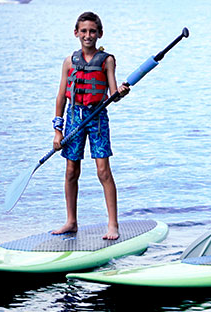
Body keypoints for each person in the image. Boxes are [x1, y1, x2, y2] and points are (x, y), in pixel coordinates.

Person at [51, 12, 130, 239]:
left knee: (103, 171)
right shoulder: (69, 62)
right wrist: (58, 131)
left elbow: (113, 94)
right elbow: (60, 97)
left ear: (99, 34)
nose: (88, 35)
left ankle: (113, 225)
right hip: (74, 117)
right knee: (71, 171)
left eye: (92, 31)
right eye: (83, 31)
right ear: (76, 33)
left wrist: (121, 93)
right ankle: (71, 221)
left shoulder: (107, 61)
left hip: (97, 117)